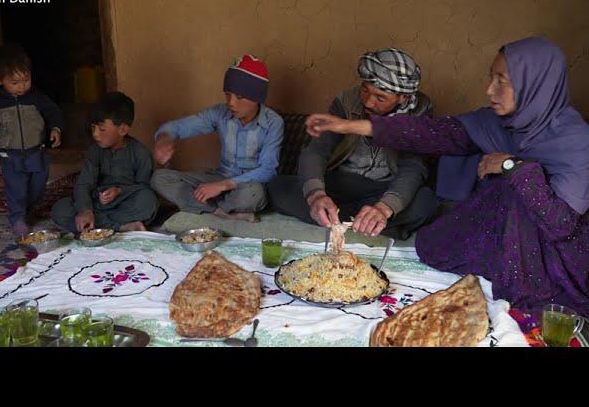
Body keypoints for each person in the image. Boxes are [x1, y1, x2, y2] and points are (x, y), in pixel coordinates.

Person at [305, 37, 589, 316]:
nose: (490, 90)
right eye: (491, 78)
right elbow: (436, 134)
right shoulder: (496, 121)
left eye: (502, 80)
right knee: (431, 246)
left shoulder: (575, 140)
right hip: (502, 227)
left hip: (551, 248)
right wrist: (353, 126)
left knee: (444, 203)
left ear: (535, 83)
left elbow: (560, 223)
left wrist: (513, 167)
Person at [268, 48, 437, 240]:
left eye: (380, 98)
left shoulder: (419, 110)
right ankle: (364, 223)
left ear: (403, 97)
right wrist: (316, 196)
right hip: (343, 183)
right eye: (365, 90)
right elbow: (317, 150)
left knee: (425, 202)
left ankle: (356, 220)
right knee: (277, 186)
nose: (369, 103)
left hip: (384, 188)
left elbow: (413, 167)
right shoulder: (347, 101)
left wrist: (384, 207)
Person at [150, 55, 284, 223]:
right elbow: (178, 127)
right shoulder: (219, 113)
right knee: (159, 178)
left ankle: (204, 206)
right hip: (218, 178)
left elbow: (268, 170)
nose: (231, 103)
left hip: (247, 186)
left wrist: (223, 186)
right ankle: (220, 212)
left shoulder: (273, 122)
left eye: (239, 97)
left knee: (253, 194)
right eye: (227, 94)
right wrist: (164, 138)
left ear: (257, 98)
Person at [0, 44, 63, 237]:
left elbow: (53, 111)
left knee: (38, 185)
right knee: (16, 186)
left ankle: (27, 209)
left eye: (26, 80)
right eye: (15, 82)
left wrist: (56, 129)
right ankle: (17, 217)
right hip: (9, 154)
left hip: (36, 151)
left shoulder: (36, 96)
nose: (22, 86)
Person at [51, 92, 159, 233]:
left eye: (102, 129)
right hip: (98, 203)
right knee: (60, 209)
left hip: (126, 202)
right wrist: (86, 210)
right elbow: (84, 183)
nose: (95, 134)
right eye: (93, 128)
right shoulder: (95, 151)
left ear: (123, 130)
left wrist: (120, 191)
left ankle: (97, 225)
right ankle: (122, 227)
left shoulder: (141, 153)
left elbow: (144, 187)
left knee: (148, 202)